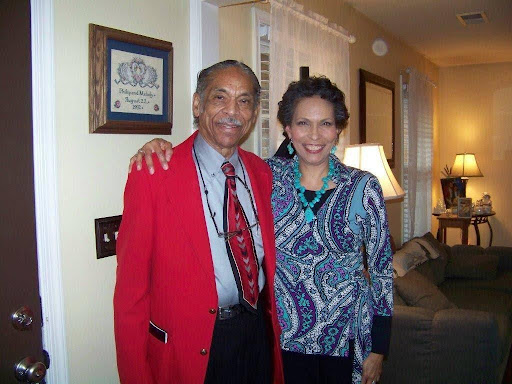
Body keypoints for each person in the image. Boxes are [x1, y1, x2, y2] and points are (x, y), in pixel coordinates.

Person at [131, 77, 393, 384]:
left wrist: (379, 349)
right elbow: (213, 160)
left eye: (326, 123)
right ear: (288, 129)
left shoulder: (363, 187)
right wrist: (156, 147)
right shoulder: (266, 176)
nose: (314, 135)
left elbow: (381, 270)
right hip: (281, 341)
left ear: (338, 130)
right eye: (302, 123)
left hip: (346, 340)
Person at [114, 60, 284, 384]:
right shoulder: (153, 174)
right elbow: (130, 296)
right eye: (220, 97)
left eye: (244, 101)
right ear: (197, 103)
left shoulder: (262, 173)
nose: (232, 111)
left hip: (258, 334)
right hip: (195, 350)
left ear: (254, 111)